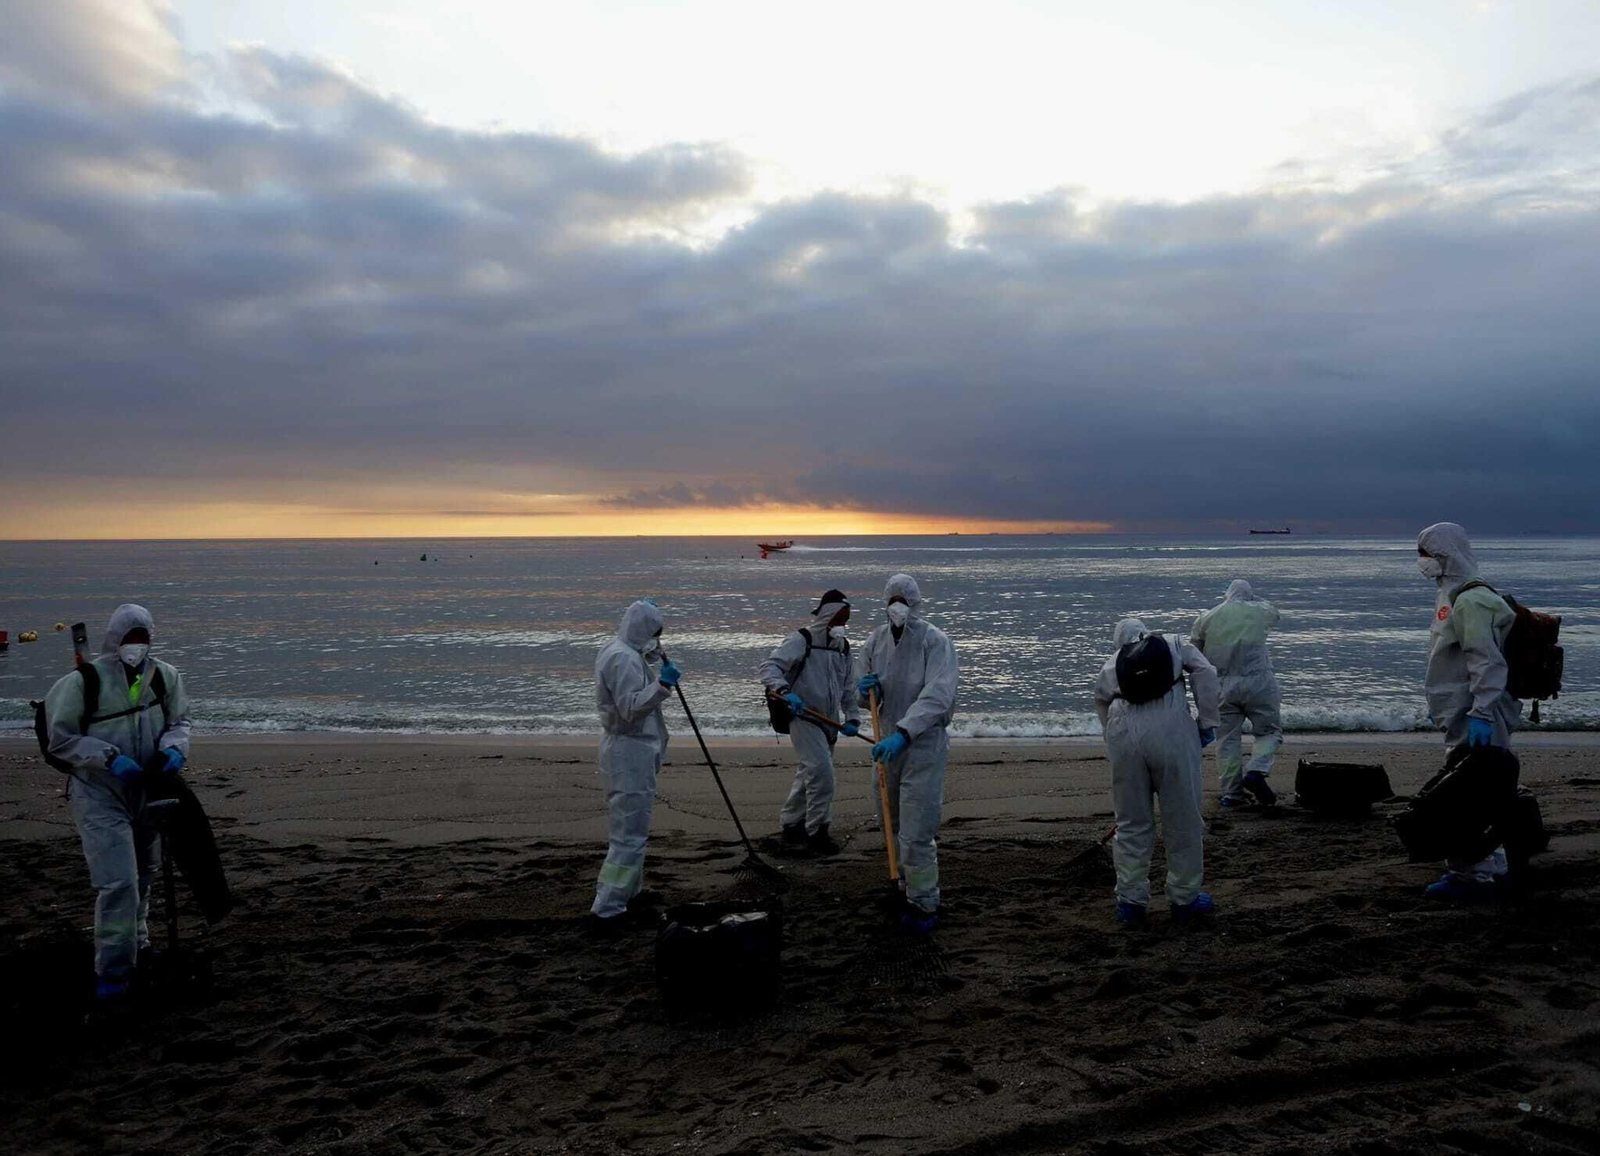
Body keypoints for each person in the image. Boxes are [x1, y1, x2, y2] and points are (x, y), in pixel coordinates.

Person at [44, 604, 191, 1006]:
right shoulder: (81, 683)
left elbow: (180, 722)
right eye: (130, 638)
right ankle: (112, 974)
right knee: (119, 883)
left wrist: (174, 750)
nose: (136, 646)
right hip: (99, 794)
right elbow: (61, 740)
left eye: (142, 638)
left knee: (144, 876)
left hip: (145, 789)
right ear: (115, 639)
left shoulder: (165, 677)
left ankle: (139, 947)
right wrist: (109, 758)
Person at [1093, 617, 1221, 926]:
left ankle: (1131, 901)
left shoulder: (1111, 665)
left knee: (1131, 822)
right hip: (1171, 733)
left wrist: (1113, 740)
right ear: (1145, 633)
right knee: (1183, 818)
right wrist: (1207, 723)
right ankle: (1184, 898)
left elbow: (1101, 703)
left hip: (1124, 736)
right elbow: (1206, 672)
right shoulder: (1175, 644)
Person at [1416, 522, 1521, 901]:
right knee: (1486, 791)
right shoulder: (1455, 594)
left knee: (1467, 794)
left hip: (1475, 712)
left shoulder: (1471, 600)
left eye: (1427, 554)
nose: (1422, 562)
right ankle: (1496, 867)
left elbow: (1486, 662)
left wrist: (1481, 710)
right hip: (1463, 709)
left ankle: (1471, 875)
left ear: (1446, 555)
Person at [857, 574, 959, 933]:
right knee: (889, 823)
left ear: (915, 602)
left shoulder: (935, 641)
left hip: (922, 747)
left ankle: (924, 902)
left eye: (903, 598)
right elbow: (866, 695)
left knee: (917, 830)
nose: (897, 605)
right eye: (892, 598)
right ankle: (901, 884)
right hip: (886, 745)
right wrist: (862, 690)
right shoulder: (875, 642)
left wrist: (905, 732)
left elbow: (938, 696)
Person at [590, 599, 680, 929]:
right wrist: (663, 684)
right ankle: (609, 908)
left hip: (635, 751)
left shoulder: (625, 652)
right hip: (628, 753)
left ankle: (630, 892)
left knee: (636, 829)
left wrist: (653, 657)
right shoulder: (622, 658)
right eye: (655, 633)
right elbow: (630, 707)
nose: (658, 638)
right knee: (628, 834)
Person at [759, 588, 860, 856]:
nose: (843, 625)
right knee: (821, 774)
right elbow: (769, 668)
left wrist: (852, 717)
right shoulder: (801, 640)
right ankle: (817, 832)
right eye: (839, 619)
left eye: (846, 620)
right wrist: (784, 692)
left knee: (808, 774)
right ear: (827, 617)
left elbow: (848, 688)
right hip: (803, 716)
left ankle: (791, 824)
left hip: (829, 722)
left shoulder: (843, 648)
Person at [1190, 580, 1283, 808]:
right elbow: (1274, 612)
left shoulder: (1207, 617)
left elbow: (1195, 653)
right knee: (1268, 731)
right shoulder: (1261, 611)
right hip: (1259, 681)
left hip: (1223, 686)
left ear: (1226, 595)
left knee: (1227, 740)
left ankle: (1232, 794)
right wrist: (1252, 600)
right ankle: (1257, 769)